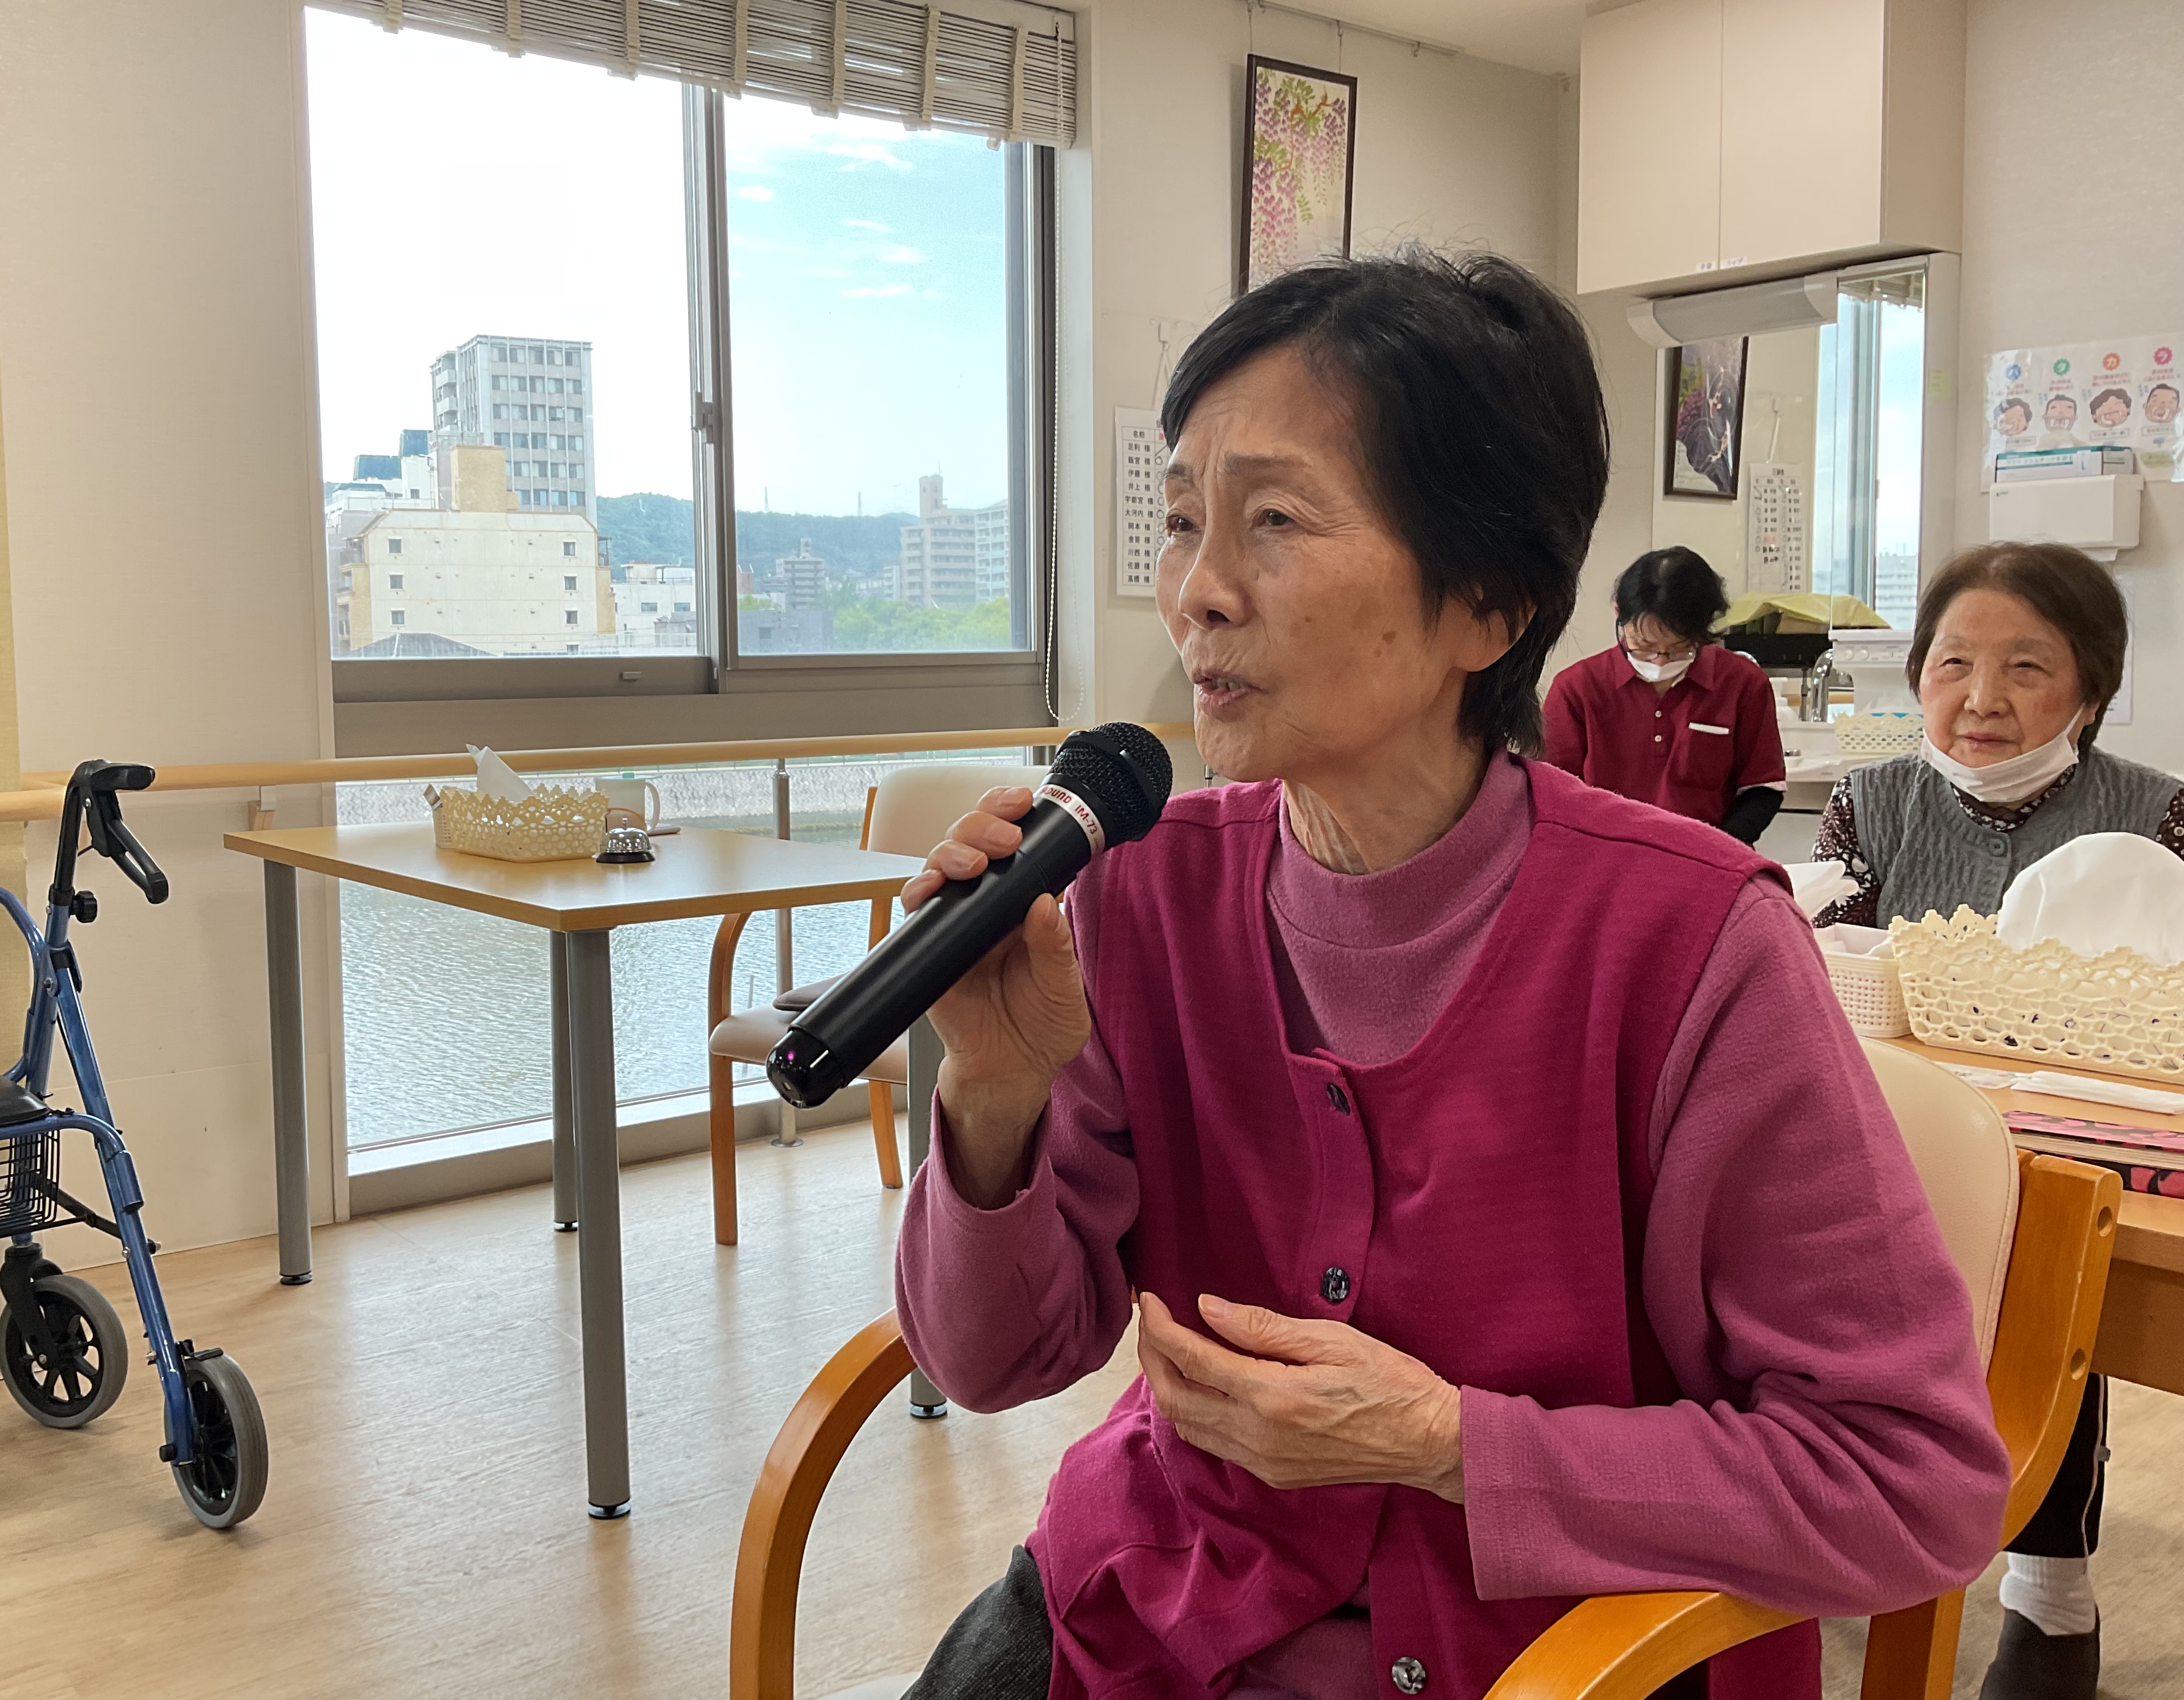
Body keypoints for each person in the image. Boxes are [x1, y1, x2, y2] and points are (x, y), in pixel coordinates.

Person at [893, 250, 2006, 1700]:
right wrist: (991, 1096)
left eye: (1274, 520)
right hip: (1148, 1610)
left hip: (1555, 1663)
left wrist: (1452, 1449)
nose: (1197, 593)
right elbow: (991, 1364)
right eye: (1180, 522)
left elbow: (1912, 1484)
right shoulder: (1139, 891)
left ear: (1488, 604)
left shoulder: (1695, 945)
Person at [1812, 540, 2184, 1700]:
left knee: (2046, 1286)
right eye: (1952, 662)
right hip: (1885, 1148)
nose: (1980, 698)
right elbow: (1829, 974)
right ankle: (1838, 1532)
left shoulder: (2157, 814)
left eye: (2026, 666)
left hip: (2084, 1156)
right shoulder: (1869, 802)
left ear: (2091, 687)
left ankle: (2051, 1594)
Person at [1540, 546, 1787, 844]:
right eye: (1644, 646)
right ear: (1619, 614)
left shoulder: (1744, 684)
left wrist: (1719, 849)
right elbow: (1553, 794)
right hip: (1605, 854)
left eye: (1679, 648)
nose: (1659, 660)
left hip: (1709, 853)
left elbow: (1762, 788)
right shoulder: (1577, 689)